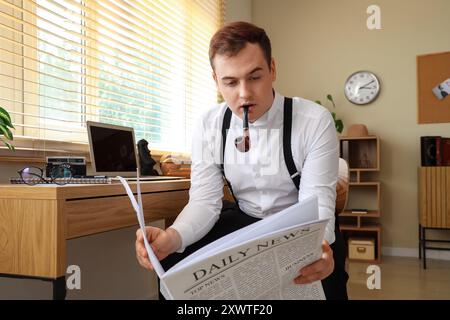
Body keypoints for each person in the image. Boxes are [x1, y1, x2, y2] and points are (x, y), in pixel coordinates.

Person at [135, 21, 348, 300]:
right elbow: (204, 202)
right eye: (231, 82)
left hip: (303, 225)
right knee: (175, 264)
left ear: (272, 69)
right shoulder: (209, 125)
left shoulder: (313, 121)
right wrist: (172, 238)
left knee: (322, 281)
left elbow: (318, 202)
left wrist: (316, 248)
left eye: (255, 77)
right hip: (244, 219)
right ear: (216, 80)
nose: (244, 93)